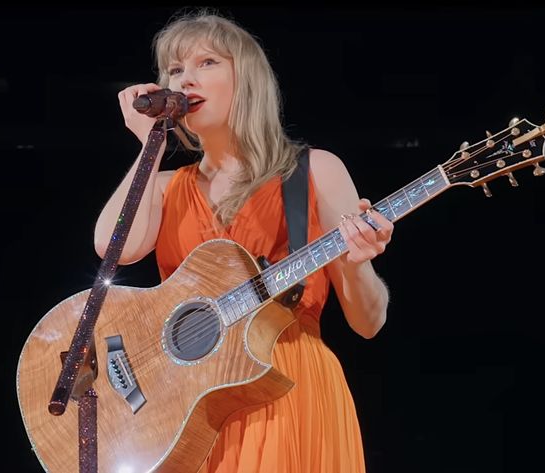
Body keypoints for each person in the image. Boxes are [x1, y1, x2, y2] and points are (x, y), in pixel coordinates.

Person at [94, 8, 393, 473]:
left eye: (207, 62)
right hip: (192, 407)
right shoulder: (165, 187)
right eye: (175, 69)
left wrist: (357, 262)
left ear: (247, 79)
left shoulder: (315, 171)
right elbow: (116, 247)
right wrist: (150, 145)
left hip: (288, 392)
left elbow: (369, 322)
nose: (185, 79)